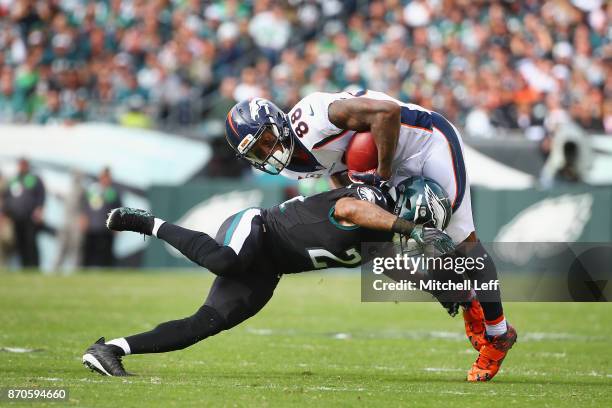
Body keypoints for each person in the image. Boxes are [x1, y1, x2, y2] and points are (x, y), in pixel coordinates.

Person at [225, 92, 517, 382]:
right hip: (382, 164)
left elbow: (387, 112)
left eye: (265, 140)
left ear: (276, 122)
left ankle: (498, 334)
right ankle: (462, 298)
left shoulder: (315, 116)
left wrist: (383, 176)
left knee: (463, 244)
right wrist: (358, 198)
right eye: (256, 152)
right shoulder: (290, 166)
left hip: (424, 142)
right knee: (378, 251)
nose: (267, 152)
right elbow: (338, 172)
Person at [82, 178, 461, 377]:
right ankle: (147, 223)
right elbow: (348, 207)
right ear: (412, 207)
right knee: (225, 260)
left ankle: (109, 349)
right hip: (258, 227)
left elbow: (390, 263)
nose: (422, 229)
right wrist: (410, 228)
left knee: (207, 323)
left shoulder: (381, 234)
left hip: (270, 266)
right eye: (423, 220)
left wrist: (437, 288)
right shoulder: (370, 200)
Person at [1, 158, 45, 268]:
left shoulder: (34, 179)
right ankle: (24, 265)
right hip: (16, 217)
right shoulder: (14, 180)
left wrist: (39, 209)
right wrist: (3, 213)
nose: (22, 167)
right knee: (19, 243)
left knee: (30, 242)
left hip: (30, 217)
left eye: (24, 164)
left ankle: (34, 265)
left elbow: (41, 195)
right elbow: (6, 197)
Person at [80, 168, 122, 267]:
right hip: (91, 228)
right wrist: (83, 220)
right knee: (88, 253)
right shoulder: (92, 190)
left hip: (106, 229)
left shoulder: (113, 192)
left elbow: (118, 210)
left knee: (106, 254)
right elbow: (85, 208)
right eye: (104, 177)